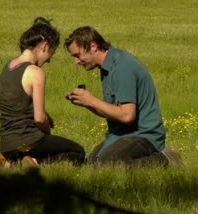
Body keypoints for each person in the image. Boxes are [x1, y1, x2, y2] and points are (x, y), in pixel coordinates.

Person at [64, 26, 182, 167]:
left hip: (144, 135)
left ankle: (166, 158)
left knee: (106, 165)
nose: (76, 62)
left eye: (78, 55)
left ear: (93, 46)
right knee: (91, 164)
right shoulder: (108, 66)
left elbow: (127, 115)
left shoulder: (121, 67)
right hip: (122, 134)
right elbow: (114, 111)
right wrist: (86, 103)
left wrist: (92, 100)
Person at [0, 17, 85, 167]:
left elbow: (1, 112)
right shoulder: (35, 72)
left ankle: (10, 159)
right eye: (51, 53)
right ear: (45, 46)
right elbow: (39, 119)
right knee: (78, 152)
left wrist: (45, 115)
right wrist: (47, 133)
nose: (49, 59)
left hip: (6, 142)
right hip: (30, 139)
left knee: (34, 146)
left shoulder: (6, 69)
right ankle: (33, 161)